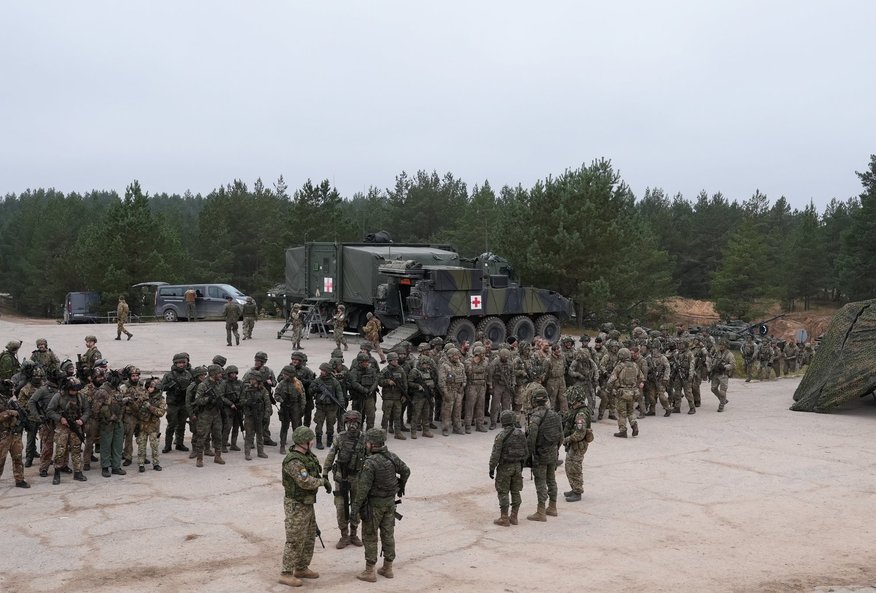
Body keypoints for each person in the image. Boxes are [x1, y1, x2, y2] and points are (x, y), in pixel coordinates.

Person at [353, 428, 410, 582]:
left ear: (372, 443)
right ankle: (388, 568)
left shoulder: (370, 463)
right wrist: (401, 486)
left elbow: (362, 490)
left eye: (367, 442)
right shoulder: (392, 457)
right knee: (388, 535)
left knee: (370, 536)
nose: (366, 445)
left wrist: (355, 509)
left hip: (374, 506)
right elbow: (406, 471)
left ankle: (369, 571)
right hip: (390, 504)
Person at [279, 426, 327, 587]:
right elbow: (305, 481)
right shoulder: (294, 461)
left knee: (309, 537)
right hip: (296, 504)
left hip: (307, 502)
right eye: (310, 440)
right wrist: (322, 482)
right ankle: (286, 573)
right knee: (295, 539)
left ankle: (301, 568)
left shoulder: (306, 456)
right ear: (304, 442)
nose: (312, 442)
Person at [323, 410, 367, 549]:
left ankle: (354, 534)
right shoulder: (340, 438)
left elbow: (371, 458)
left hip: (357, 478)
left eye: (355, 422)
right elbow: (331, 454)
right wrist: (325, 472)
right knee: (341, 507)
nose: (352, 425)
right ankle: (344, 535)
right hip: (341, 477)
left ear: (359, 423)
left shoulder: (364, 439)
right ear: (345, 423)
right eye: (349, 422)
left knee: (356, 506)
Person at [525, 385, 563, 521]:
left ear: (534, 401)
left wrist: (529, 455)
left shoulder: (535, 417)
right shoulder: (555, 415)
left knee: (540, 481)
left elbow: (531, 439)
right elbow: (561, 436)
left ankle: (541, 511)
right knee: (551, 480)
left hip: (540, 454)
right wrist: (555, 449)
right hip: (553, 452)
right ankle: (552, 507)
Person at [46, 377, 90, 485]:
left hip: (76, 427)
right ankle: (57, 473)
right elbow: (49, 411)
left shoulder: (80, 396)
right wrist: (60, 418)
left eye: (76, 389)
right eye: (73, 389)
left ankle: (78, 472)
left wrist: (82, 420)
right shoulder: (59, 396)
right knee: (60, 451)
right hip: (62, 428)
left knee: (76, 450)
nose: (75, 392)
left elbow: (87, 410)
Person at [488, 409, 527, 526]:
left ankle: (504, 517)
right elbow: (526, 451)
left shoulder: (501, 436)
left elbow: (495, 454)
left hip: (505, 467)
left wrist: (491, 468)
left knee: (503, 491)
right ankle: (514, 516)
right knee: (515, 491)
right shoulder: (521, 434)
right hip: (517, 467)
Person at [92, 370, 127, 478]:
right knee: (106, 445)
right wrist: (102, 420)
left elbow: (119, 403)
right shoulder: (102, 391)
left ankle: (116, 466)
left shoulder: (118, 389)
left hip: (118, 421)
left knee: (118, 445)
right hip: (106, 423)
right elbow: (95, 409)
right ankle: (105, 467)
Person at [562, 384, 594, 502]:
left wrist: (566, 439)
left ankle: (577, 491)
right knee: (569, 466)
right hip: (574, 444)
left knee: (575, 468)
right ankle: (574, 488)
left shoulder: (581, 414)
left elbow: (580, 434)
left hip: (578, 445)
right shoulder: (575, 409)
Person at [607, 348, 644, 438]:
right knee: (631, 411)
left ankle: (623, 431)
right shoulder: (635, 365)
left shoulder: (620, 366)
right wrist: (634, 385)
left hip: (622, 393)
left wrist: (609, 389)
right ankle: (634, 425)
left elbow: (612, 379)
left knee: (622, 413)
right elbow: (641, 377)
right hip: (633, 392)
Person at [160, 353, 193, 453]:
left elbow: (192, 388)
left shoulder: (188, 374)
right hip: (173, 404)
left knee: (182, 425)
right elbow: (161, 387)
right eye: (179, 363)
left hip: (183, 403)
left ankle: (179, 444)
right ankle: (168, 445)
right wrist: (170, 386)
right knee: (171, 425)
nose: (181, 365)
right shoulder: (169, 375)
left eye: (183, 362)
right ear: (175, 363)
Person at [0, 379, 30, 487]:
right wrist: (9, 413)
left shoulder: (13, 399)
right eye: (10, 388)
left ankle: (19, 480)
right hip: (3, 435)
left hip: (15, 433)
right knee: (1, 459)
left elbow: (20, 412)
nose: (12, 390)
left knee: (17, 457)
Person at [311, 362, 345, 449]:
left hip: (332, 407)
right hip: (321, 407)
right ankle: (319, 441)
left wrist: (341, 401)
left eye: (323, 370)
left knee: (330, 424)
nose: (321, 372)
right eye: (321, 370)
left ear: (328, 371)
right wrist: (317, 389)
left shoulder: (334, 381)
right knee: (319, 424)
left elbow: (339, 392)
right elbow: (310, 391)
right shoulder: (317, 381)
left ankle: (329, 441)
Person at [137, 377, 166, 472]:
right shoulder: (143, 396)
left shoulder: (160, 399)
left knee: (154, 446)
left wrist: (150, 407)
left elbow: (161, 412)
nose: (149, 389)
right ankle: (141, 464)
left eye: (152, 387)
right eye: (148, 387)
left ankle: (156, 463)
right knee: (141, 446)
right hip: (143, 425)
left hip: (153, 426)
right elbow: (136, 408)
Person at [240, 370, 269, 460]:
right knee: (249, 435)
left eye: (253, 379)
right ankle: (247, 453)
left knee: (260, 434)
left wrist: (266, 415)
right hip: (249, 416)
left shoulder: (263, 390)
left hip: (259, 415)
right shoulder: (246, 390)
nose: (251, 380)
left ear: (258, 380)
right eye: (250, 379)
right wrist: (248, 402)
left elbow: (267, 403)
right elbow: (241, 401)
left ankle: (260, 452)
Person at [378, 352, 407, 439]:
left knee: (397, 415)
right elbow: (379, 382)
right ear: (389, 361)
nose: (396, 361)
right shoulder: (385, 371)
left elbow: (405, 383)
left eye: (397, 360)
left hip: (398, 397)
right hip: (388, 397)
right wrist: (387, 381)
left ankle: (398, 432)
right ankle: (383, 433)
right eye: (394, 360)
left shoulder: (401, 370)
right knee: (386, 415)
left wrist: (404, 395)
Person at [438, 348, 466, 436]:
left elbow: (464, 377)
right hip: (449, 391)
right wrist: (445, 392)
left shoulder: (461, 365)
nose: (457, 357)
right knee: (447, 411)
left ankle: (457, 428)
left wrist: (463, 386)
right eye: (455, 355)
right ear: (450, 356)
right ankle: (445, 429)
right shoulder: (444, 366)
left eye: (458, 355)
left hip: (459, 391)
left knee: (458, 410)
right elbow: (442, 381)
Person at [710, 339, 736, 412]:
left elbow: (733, 365)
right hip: (716, 373)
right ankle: (723, 400)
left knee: (722, 391)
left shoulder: (729, 355)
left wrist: (724, 367)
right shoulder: (717, 353)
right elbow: (713, 361)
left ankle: (721, 404)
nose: (721, 346)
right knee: (713, 389)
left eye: (722, 345)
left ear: (726, 346)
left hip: (723, 374)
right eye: (720, 345)